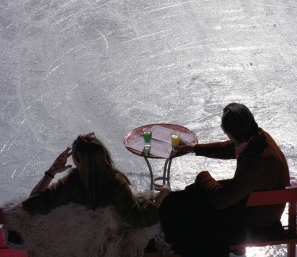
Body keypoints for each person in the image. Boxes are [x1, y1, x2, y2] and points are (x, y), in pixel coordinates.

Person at [155, 103, 290, 257]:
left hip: (258, 222)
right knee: (196, 195)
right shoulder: (257, 137)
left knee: (197, 208)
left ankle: (176, 241)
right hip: (256, 206)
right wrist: (194, 148)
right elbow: (229, 148)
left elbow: (221, 200)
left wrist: (203, 176)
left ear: (230, 134)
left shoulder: (258, 161)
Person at [22, 132, 159, 228]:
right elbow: (138, 219)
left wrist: (52, 172)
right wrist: (162, 195)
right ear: (104, 154)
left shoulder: (71, 184)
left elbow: (32, 204)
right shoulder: (116, 183)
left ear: (77, 161)